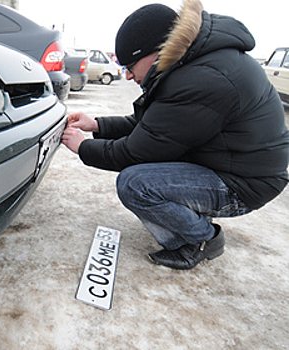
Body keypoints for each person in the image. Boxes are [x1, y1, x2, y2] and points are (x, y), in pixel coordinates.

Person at [62, 0, 289, 270]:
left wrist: (83, 148)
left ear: (155, 52)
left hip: (245, 183)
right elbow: (153, 126)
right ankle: (191, 222)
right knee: (146, 176)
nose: (128, 75)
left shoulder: (203, 78)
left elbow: (137, 152)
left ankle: (200, 240)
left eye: (130, 65)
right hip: (234, 166)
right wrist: (97, 126)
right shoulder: (194, 64)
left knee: (135, 184)